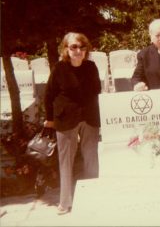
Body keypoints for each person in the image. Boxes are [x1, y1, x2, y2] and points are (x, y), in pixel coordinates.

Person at [44, 32, 101, 215]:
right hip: (66, 119)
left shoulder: (91, 67)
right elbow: (48, 95)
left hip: (89, 117)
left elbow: (97, 90)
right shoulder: (60, 68)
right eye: (73, 47)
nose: (78, 50)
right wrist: (50, 119)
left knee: (91, 159)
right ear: (66, 50)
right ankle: (65, 201)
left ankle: (93, 196)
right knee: (66, 162)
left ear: (86, 49)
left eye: (81, 47)